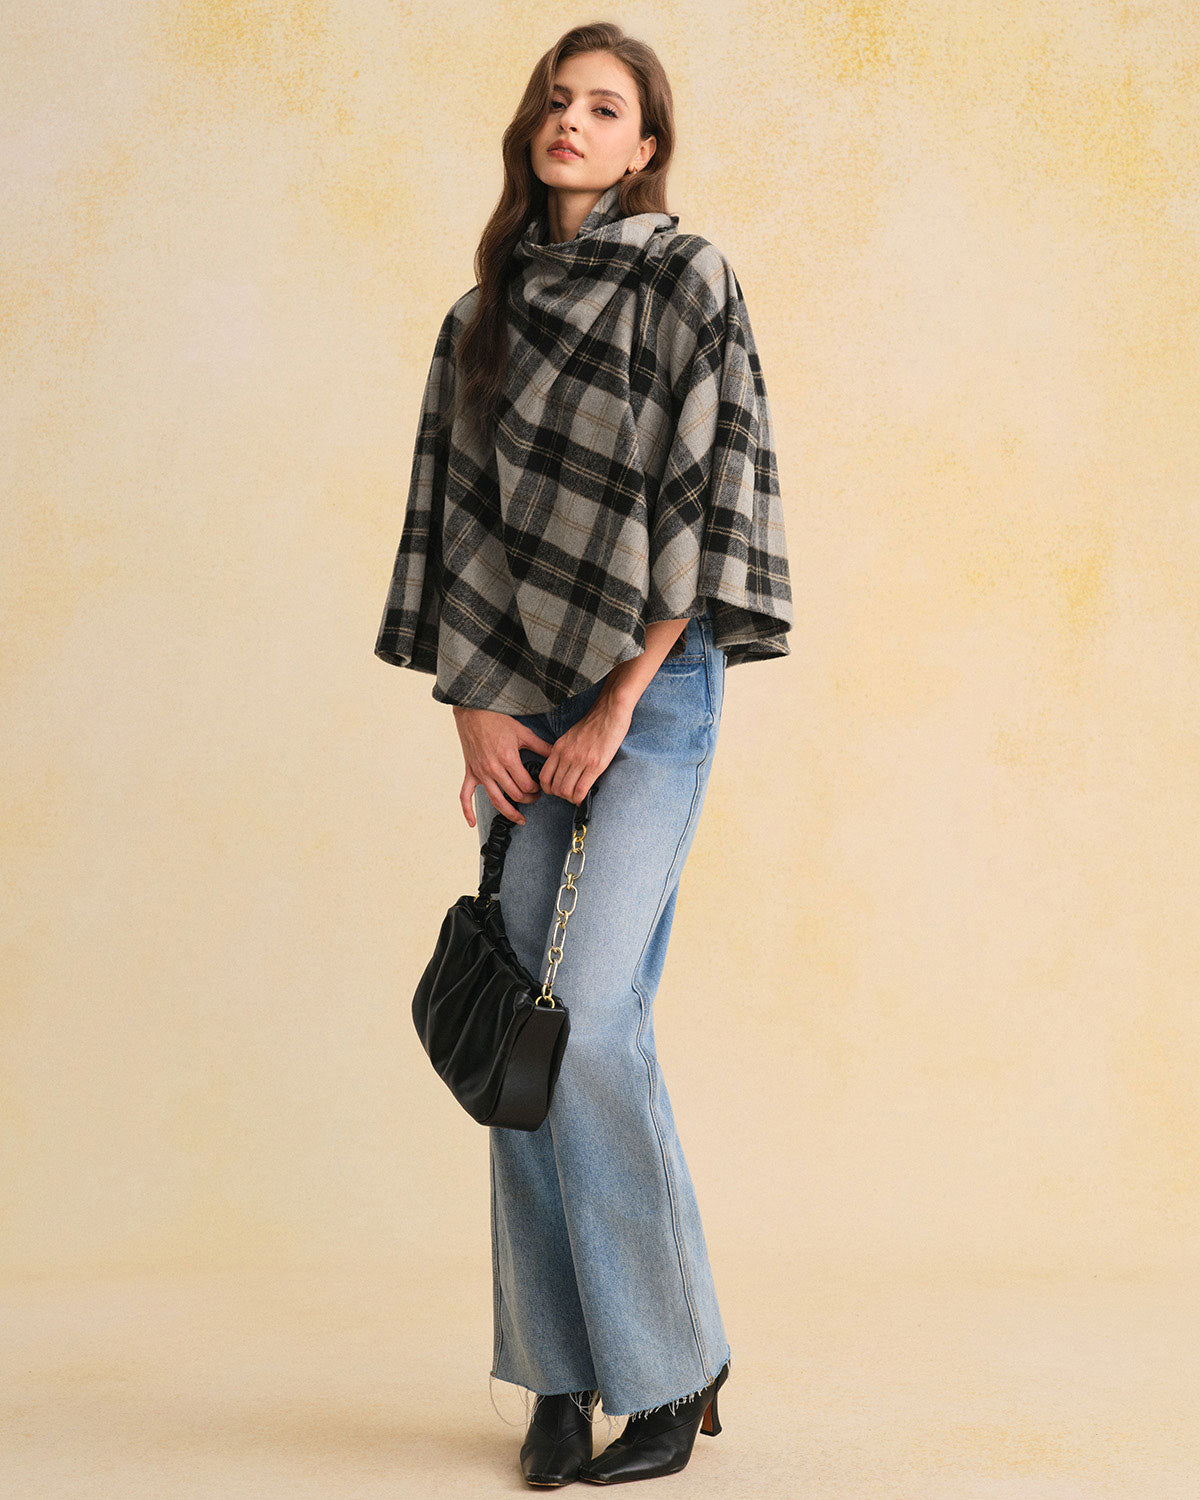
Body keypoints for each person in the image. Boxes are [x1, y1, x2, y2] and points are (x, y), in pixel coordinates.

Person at [374, 21, 793, 1487]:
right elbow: (457, 523)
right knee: (520, 1033)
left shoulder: (687, 280)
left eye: (605, 107)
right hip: (520, 702)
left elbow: (708, 495)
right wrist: (477, 708)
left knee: (595, 1016)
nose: (572, 121)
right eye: (558, 100)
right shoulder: (479, 315)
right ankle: (558, 1377)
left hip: (651, 698)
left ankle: (670, 1372)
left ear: (645, 146)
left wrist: (613, 708)